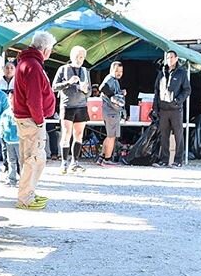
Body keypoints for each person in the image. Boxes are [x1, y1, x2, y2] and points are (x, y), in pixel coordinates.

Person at [12, 31, 57, 210]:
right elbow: (34, 98)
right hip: (31, 119)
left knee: (29, 157)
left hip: (26, 118)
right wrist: (39, 120)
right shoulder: (33, 65)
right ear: (45, 49)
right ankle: (26, 198)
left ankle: (27, 193)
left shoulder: (26, 62)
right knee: (34, 158)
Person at [52, 45, 91, 174]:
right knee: (66, 134)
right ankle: (64, 162)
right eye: (77, 56)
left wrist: (85, 90)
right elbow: (54, 87)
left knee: (78, 134)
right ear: (71, 57)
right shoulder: (63, 69)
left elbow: (89, 91)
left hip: (81, 106)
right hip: (67, 105)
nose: (79, 59)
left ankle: (75, 162)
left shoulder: (85, 71)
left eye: (81, 57)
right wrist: (68, 82)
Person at [153, 50, 191, 167]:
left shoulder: (181, 73)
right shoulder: (162, 73)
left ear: (176, 58)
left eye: (171, 57)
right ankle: (164, 160)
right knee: (164, 136)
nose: (169, 60)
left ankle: (178, 160)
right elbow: (156, 91)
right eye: (167, 57)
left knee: (178, 135)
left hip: (175, 109)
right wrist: (155, 107)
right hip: (163, 109)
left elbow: (187, 89)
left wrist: (178, 100)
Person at [97, 61, 126, 166]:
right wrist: (112, 96)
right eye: (117, 70)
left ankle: (101, 157)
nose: (119, 73)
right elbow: (102, 87)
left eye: (121, 71)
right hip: (110, 112)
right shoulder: (110, 78)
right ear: (111, 70)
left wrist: (120, 93)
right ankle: (107, 159)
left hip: (111, 111)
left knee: (109, 135)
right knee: (111, 136)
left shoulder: (115, 80)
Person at [0, 100, 19, 187]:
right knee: (11, 161)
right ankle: (12, 179)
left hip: (19, 140)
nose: (11, 100)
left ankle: (24, 180)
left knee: (21, 161)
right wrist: (2, 135)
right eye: (10, 98)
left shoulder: (20, 111)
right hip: (8, 140)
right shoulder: (6, 112)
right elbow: (1, 124)